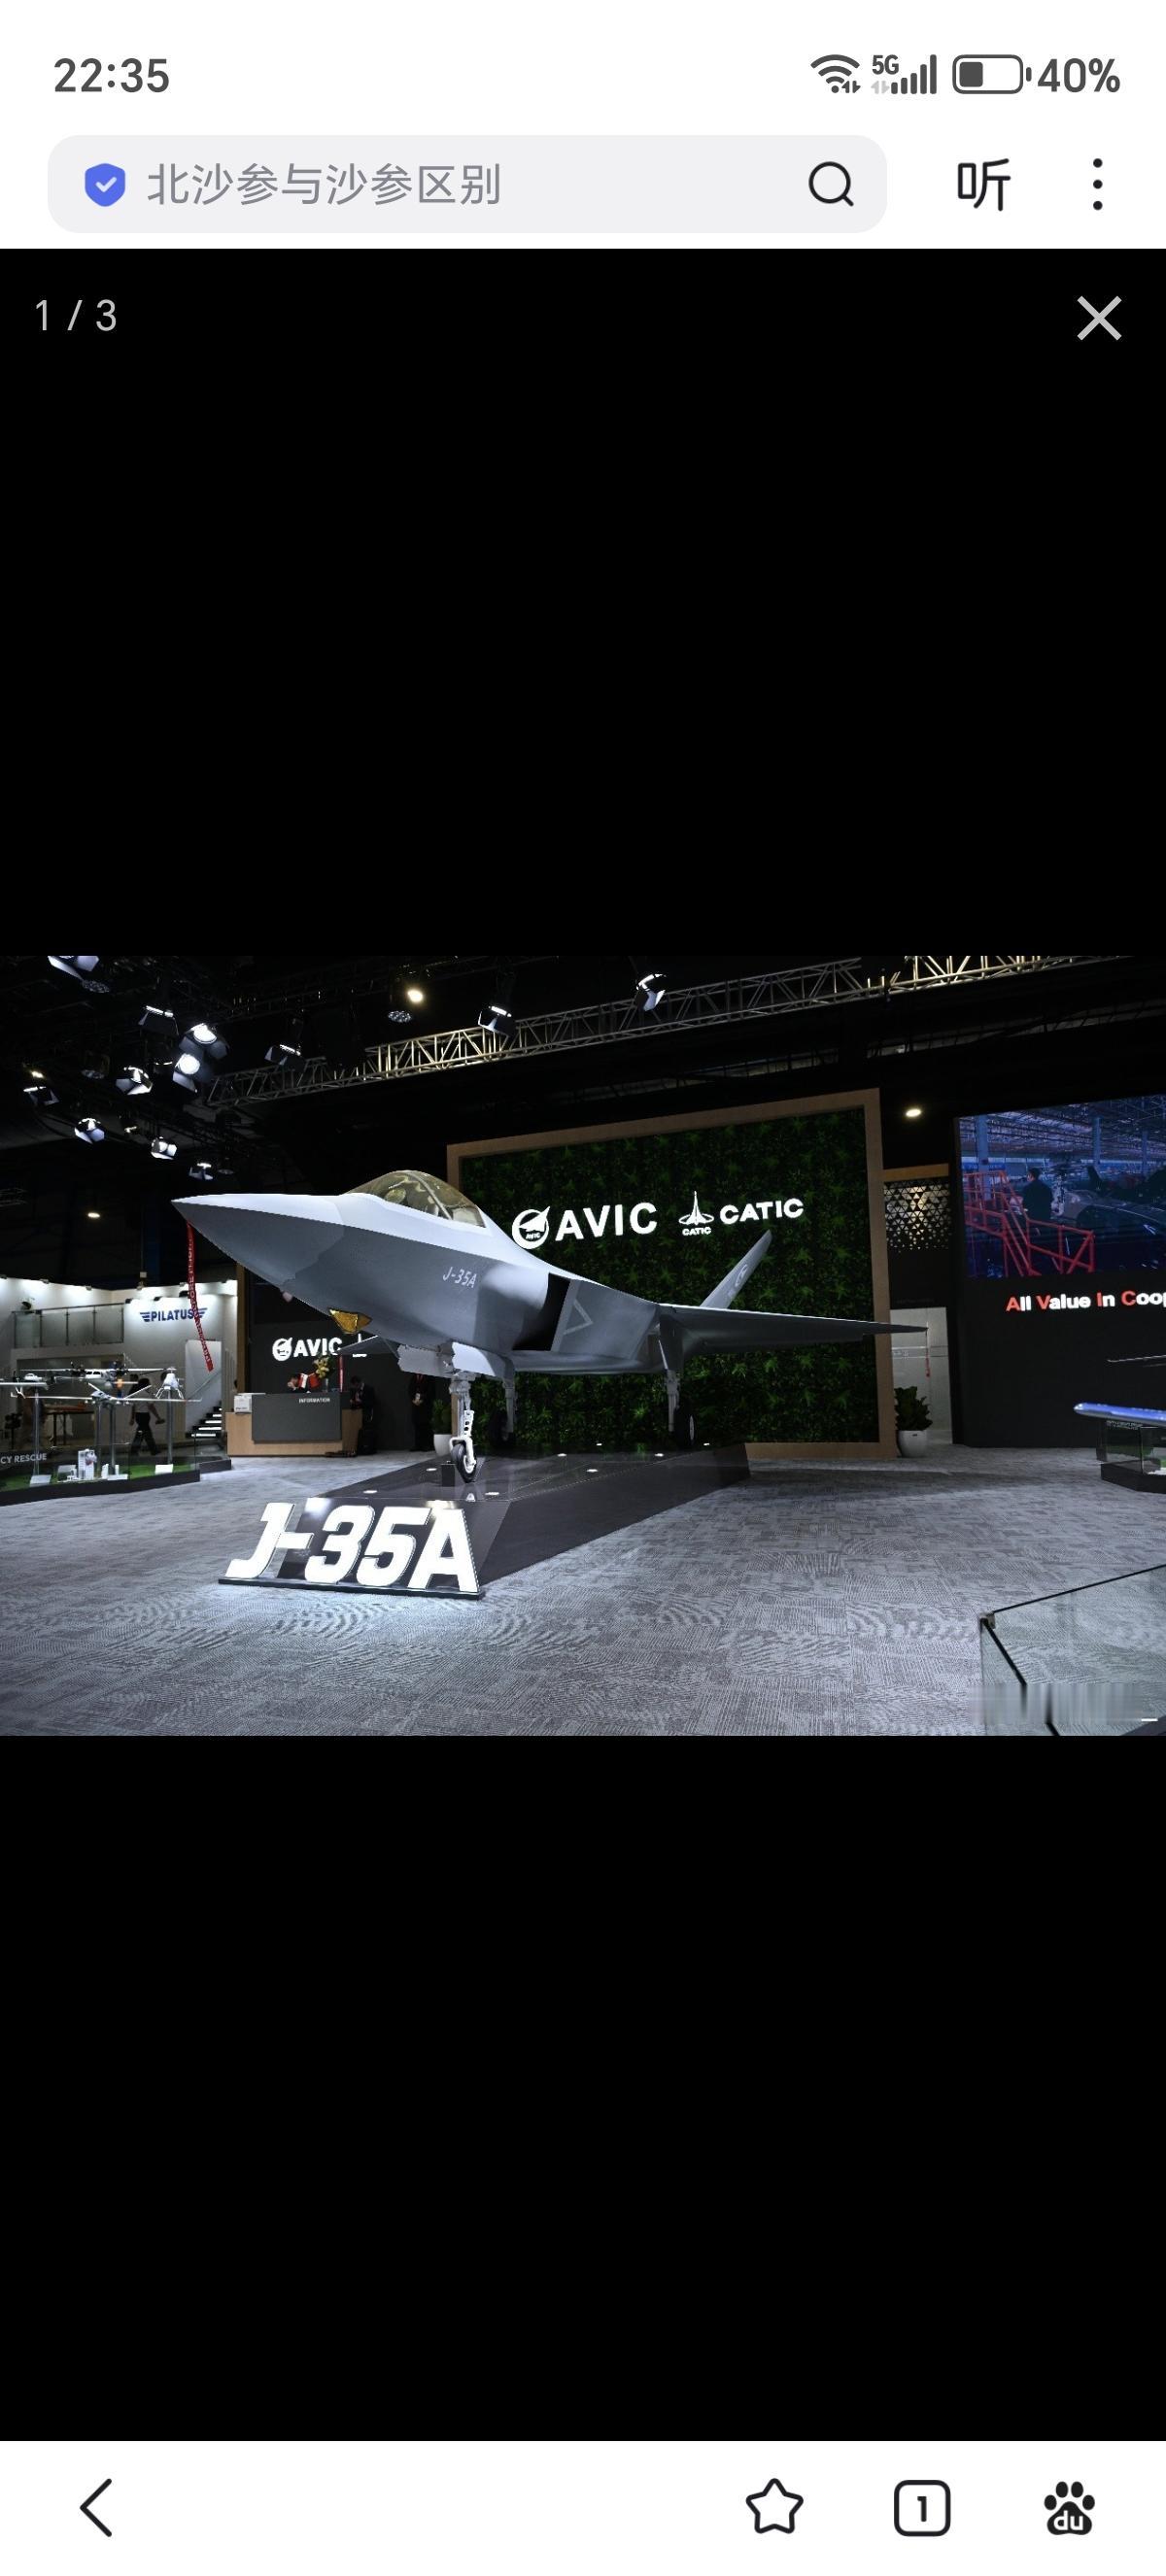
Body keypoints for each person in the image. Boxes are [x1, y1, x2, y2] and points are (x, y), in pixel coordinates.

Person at [127, 1373, 163, 1456]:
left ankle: (152, 1450)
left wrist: (132, 1418)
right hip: (144, 1416)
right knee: (143, 1434)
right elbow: (151, 1407)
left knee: (145, 1433)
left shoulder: (136, 1394)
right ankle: (135, 1451)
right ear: (145, 1385)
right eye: (148, 1384)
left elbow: (133, 1407)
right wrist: (158, 1417)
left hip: (138, 1416)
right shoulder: (146, 1394)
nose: (149, 1386)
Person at [409, 1374, 434, 1452]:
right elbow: (410, 1390)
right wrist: (413, 1400)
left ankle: (427, 1445)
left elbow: (431, 1391)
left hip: (425, 1406)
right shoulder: (413, 1377)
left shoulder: (429, 1377)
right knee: (417, 1425)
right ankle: (417, 1445)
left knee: (425, 1425)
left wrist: (422, 1399)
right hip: (416, 1406)